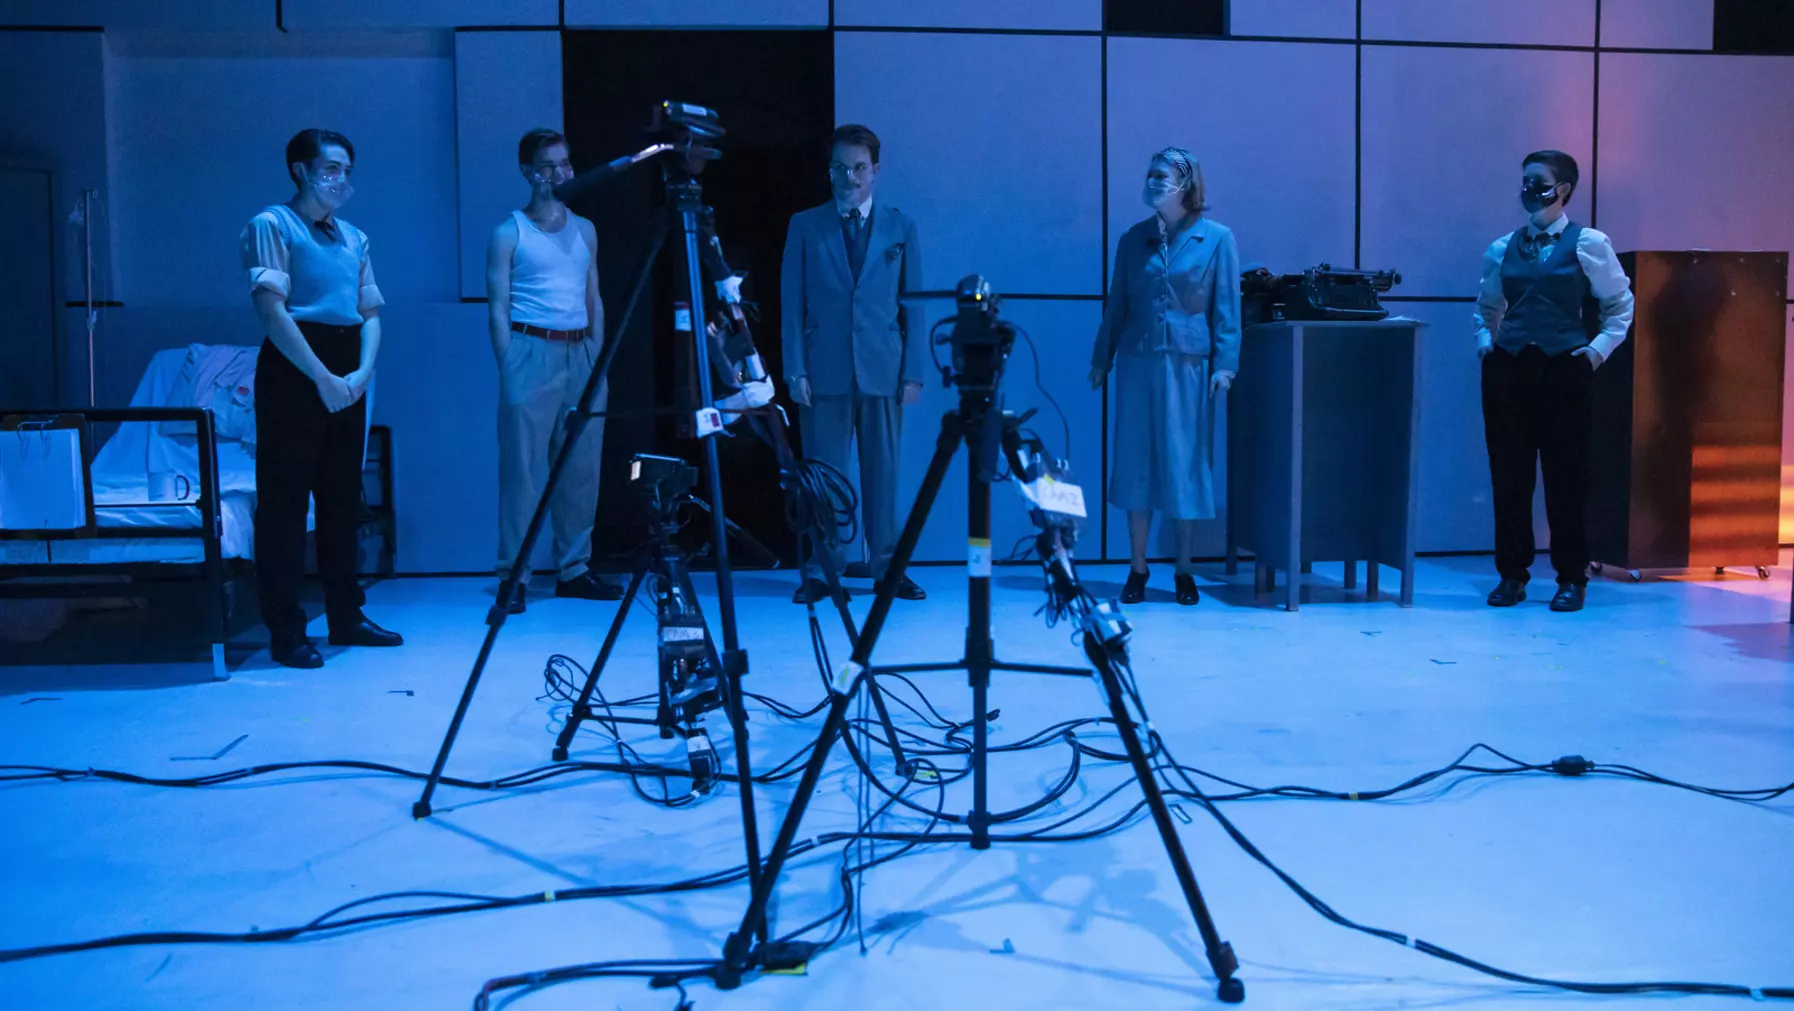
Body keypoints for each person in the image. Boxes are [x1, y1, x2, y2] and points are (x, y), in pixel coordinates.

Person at [242, 129, 402, 669]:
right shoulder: (273, 224)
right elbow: (271, 310)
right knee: (285, 504)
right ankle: (286, 629)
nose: (341, 179)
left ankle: (346, 614)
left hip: (347, 361)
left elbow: (371, 312)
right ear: (300, 169)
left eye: (347, 170)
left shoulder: (354, 237)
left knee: (341, 498)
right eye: (331, 168)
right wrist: (322, 378)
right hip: (295, 364)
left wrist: (359, 372)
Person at [1473, 149, 1634, 613]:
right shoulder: (1503, 247)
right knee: (1509, 476)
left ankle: (1570, 576)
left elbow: (1620, 305)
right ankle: (1511, 574)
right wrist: (1487, 342)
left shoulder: (1589, 244)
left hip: (1564, 370)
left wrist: (1595, 352)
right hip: (1510, 369)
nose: (1528, 188)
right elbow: (1487, 307)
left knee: (1567, 477)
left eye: (1537, 181)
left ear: (1562, 189)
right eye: (1524, 179)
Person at [780, 124, 928, 604]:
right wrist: (794, 368)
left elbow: (914, 305)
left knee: (883, 473)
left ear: (875, 171)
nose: (850, 177)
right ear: (830, 171)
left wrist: (913, 371)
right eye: (841, 168)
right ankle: (825, 569)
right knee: (824, 475)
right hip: (823, 368)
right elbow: (790, 302)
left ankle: (887, 567)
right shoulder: (805, 224)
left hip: (883, 368)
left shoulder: (900, 227)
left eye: (859, 168)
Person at [1090, 148, 1240, 607]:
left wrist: (1225, 366)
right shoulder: (1133, 239)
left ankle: (1184, 569)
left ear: (1185, 184)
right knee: (1136, 464)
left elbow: (1226, 310)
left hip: (1189, 369)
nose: (1152, 182)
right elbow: (1117, 304)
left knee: (1184, 466)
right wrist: (1102, 358)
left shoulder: (1216, 239)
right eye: (1150, 174)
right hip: (1138, 364)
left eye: (1162, 176)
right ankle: (1137, 567)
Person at [485, 128, 623, 613]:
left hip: (579, 353)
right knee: (523, 471)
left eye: (564, 164)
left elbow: (594, 296)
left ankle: (574, 568)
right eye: (548, 166)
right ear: (528, 171)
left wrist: (597, 358)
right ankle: (514, 575)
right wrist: (509, 364)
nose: (559, 174)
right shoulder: (509, 232)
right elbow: (498, 307)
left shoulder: (584, 229)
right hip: (530, 349)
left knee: (581, 467)